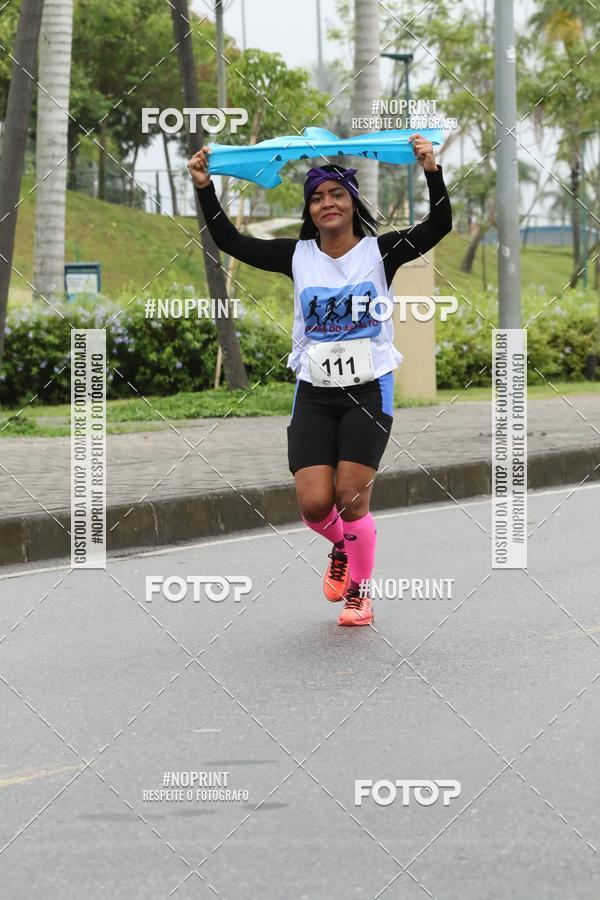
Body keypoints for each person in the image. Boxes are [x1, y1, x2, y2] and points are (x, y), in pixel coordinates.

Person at [188, 134, 452, 626]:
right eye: (316, 197)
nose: (326, 203)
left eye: (336, 194)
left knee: (351, 498)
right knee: (314, 506)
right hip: (314, 391)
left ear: (352, 203)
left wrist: (430, 171)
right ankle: (342, 547)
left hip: (368, 389)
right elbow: (231, 241)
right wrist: (205, 186)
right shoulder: (298, 256)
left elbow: (439, 224)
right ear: (310, 211)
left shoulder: (380, 252)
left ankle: (359, 594)